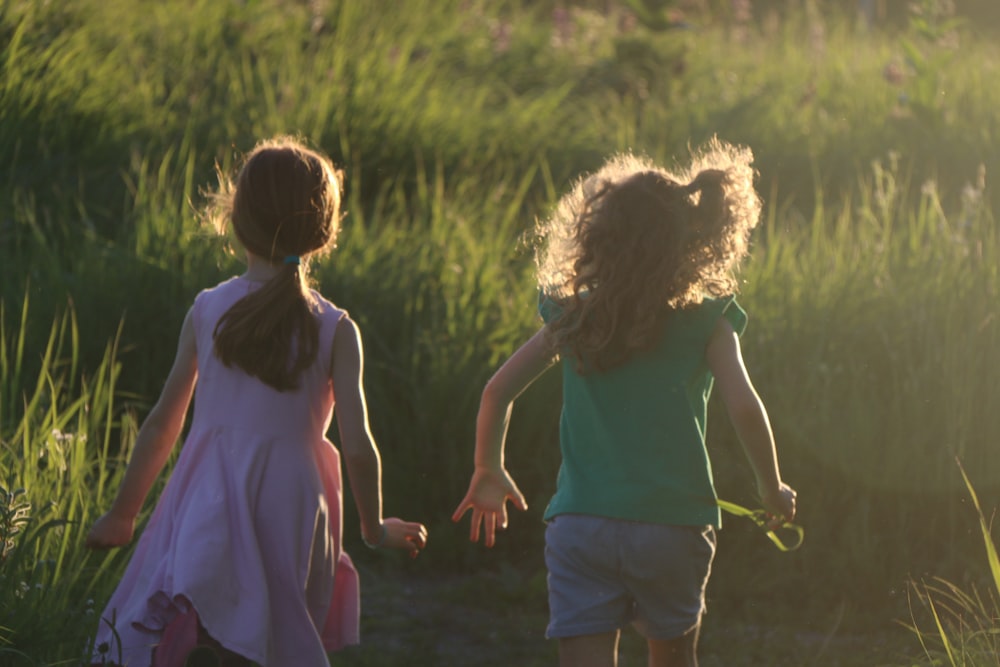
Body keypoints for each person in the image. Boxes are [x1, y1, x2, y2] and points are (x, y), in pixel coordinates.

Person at [85, 136, 428, 667]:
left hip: (210, 492)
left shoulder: (208, 310)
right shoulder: (337, 329)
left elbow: (162, 425)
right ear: (323, 233)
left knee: (207, 614)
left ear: (236, 221)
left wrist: (122, 515)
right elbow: (358, 446)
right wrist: (374, 527)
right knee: (272, 633)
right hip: (292, 503)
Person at [452, 138, 796, 667]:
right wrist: (770, 487)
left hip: (581, 524)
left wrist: (488, 467)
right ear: (690, 240)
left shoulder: (574, 317)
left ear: (596, 239)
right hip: (673, 526)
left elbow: (497, 391)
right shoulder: (709, 322)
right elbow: (745, 408)